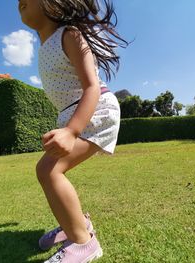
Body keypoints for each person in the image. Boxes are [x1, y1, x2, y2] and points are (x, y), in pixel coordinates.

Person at [18, 0, 128, 262]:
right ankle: (77, 225)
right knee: (49, 170)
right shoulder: (44, 43)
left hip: (96, 108)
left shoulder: (70, 34)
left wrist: (71, 130)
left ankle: (84, 243)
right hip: (72, 112)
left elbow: (91, 87)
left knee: (48, 170)